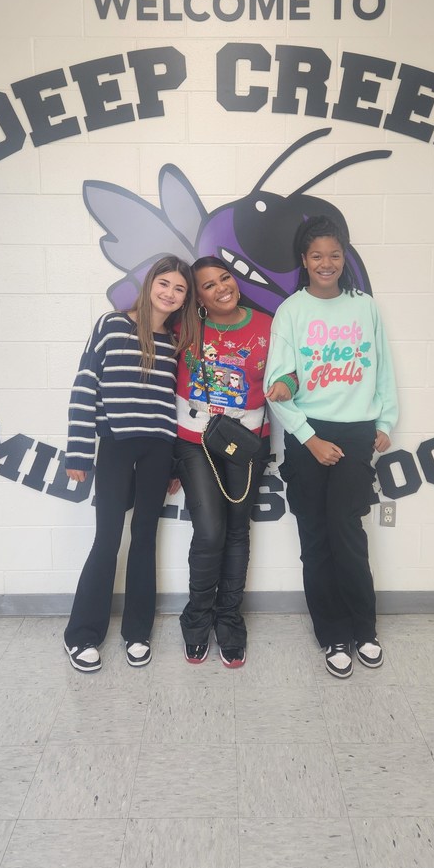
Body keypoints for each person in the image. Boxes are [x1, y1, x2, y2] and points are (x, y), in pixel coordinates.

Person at [264, 215, 398, 679]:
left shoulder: (366, 308)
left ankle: (364, 629)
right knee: (315, 539)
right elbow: (274, 385)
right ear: (304, 261)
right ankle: (333, 634)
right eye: (317, 256)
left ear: (345, 258)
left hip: (357, 429)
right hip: (307, 433)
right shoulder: (292, 311)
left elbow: (383, 369)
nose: (327, 263)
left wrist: (385, 420)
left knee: (348, 535)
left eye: (335, 255)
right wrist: (311, 439)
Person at [63, 255, 199, 672]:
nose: (170, 294)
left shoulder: (174, 343)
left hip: (157, 449)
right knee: (107, 540)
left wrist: (175, 464)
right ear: (149, 282)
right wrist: (79, 451)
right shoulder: (111, 324)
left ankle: (137, 633)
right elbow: (85, 387)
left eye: (179, 289)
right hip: (116, 445)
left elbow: (170, 409)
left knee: (144, 539)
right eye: (164, 284)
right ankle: (82, 635)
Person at [172, 256, 293, 669]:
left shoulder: (267, 325)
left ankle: (228, 619)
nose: (222, 287)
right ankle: (196, 617)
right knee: (210, 531)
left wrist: (285, 383)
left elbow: (291, 370)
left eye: (225, 277)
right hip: (195, 440)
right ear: (198, 296)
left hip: (245, 440)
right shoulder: (185, 328)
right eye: (208, 284)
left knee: (238, 530)